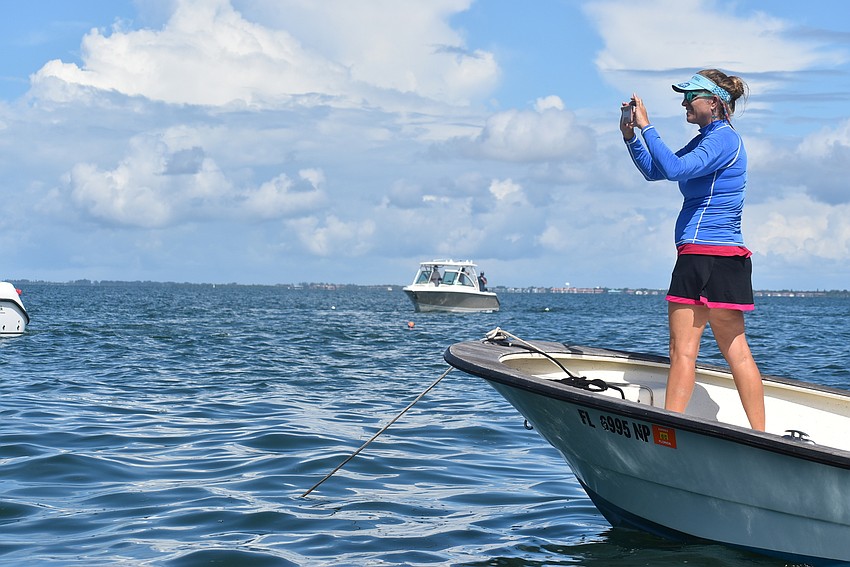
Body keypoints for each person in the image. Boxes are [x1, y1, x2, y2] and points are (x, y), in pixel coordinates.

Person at [620, 69, 765, 431]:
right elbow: (656, 170)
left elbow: (672, 169)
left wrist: (647, 126)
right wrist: (630, 136)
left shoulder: (721, 141)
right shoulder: (711, 139)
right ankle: (762, 437)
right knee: (738, 354)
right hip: (727, 258)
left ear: (714, 103)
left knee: (683, 352)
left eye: (690, 97)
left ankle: (668, 432)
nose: (684, 103)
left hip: (701, 256)